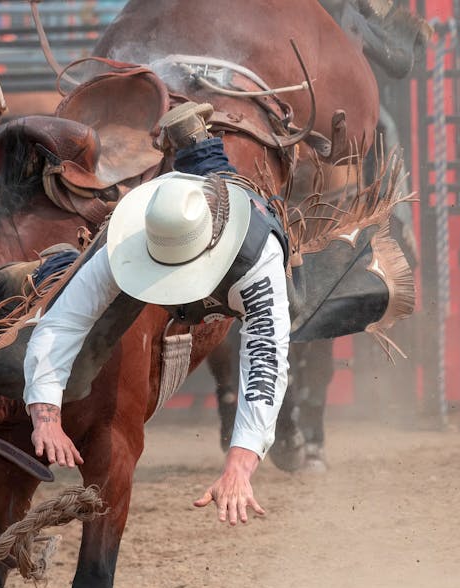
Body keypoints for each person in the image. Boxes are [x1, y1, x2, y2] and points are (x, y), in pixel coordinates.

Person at [22, 102, 292, 526]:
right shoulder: (127, 241)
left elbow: (267, 361)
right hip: (176, 224)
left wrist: (240, 464)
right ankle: (192, 145)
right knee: (66, 274)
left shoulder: (259, 260)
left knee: (214, 175)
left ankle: (196, 142)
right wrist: (46, 414)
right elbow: (63, 319)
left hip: (230, 229)